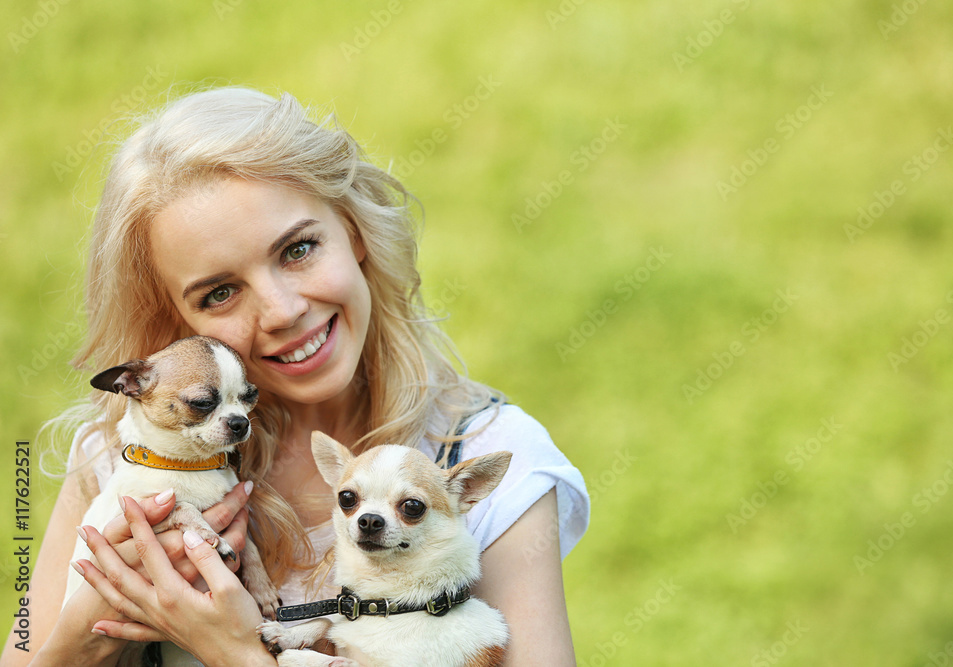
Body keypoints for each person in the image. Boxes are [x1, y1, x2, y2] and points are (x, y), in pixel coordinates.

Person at [1, 87, 589, 666]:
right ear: (175, 320)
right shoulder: (114, 458)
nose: (282, 311)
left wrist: (237, 655)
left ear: (354, 231)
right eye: (220, 292)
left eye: (298, 249)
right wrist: (85, 641)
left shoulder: (486, 458)